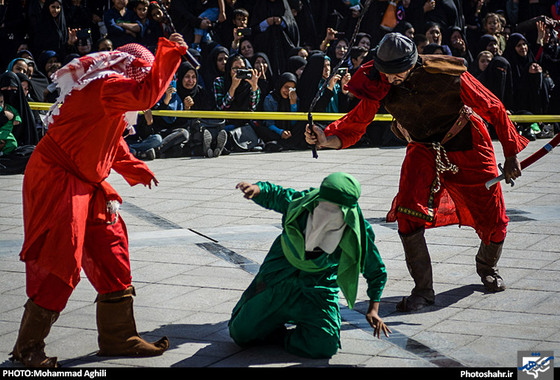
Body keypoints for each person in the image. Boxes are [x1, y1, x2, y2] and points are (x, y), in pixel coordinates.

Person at [305, 33, 529, 312]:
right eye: (386, 73)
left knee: (493, 216)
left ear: (413, 63)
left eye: (397, 73)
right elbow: (356, 123)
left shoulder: (447, 72)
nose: (390, 79)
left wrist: (510, 154)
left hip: (467, 140)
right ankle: (423, 290)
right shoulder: (380, 81)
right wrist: (325, 138)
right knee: (408, 213)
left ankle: (487, 266)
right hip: (422, 147)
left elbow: (494, 108)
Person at [10, 33, 188, 367]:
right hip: (58, 177)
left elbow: (109, 138)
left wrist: (134, 167)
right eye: (144, 72)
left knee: (111, 247)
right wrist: (172, 53)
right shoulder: (107, 85)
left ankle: (119, 336)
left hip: (86, 180)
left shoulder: (109, 89)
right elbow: (145, 94)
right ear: (133, 68)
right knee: (60, 258)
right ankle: (28, 348)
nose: (147, 80)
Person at [229, 172, 390, 358]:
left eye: (336, 209)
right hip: (277, 282)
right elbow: (277, 194)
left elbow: (376, 270)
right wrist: (257, 189)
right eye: (324, 206)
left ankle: (282, 336)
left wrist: (374, 309)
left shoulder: (357, 231)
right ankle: (263, 319)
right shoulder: (302, 205)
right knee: (241, 334)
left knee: (324, 346)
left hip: (317, 291)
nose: (328, 213)